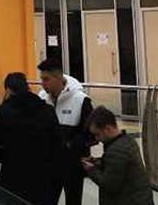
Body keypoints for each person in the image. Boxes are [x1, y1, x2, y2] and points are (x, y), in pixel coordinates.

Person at [0, 72, 63, 205]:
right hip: (42, 183)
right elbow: (58, 145)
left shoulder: (2, 112)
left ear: (8, 90)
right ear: (27, 87)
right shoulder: (47, 111)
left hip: (12, 181)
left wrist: (9, 156)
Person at [39, 58, 93, 205]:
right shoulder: (42, 98)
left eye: (46, 79)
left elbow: (91, 135)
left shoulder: (80, 100)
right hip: (48, 164)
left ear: (58, 77)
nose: (43, 84)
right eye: (41, 79)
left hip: (72, 165)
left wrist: (70, 145)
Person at [83, 106, 153, 205]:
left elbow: (109, 184)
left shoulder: (116, 150)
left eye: (97, 134)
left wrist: (91, 169)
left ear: (108, 129)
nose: (96, 139)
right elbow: (116, 167)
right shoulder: (128, 140)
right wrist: (96, 162)